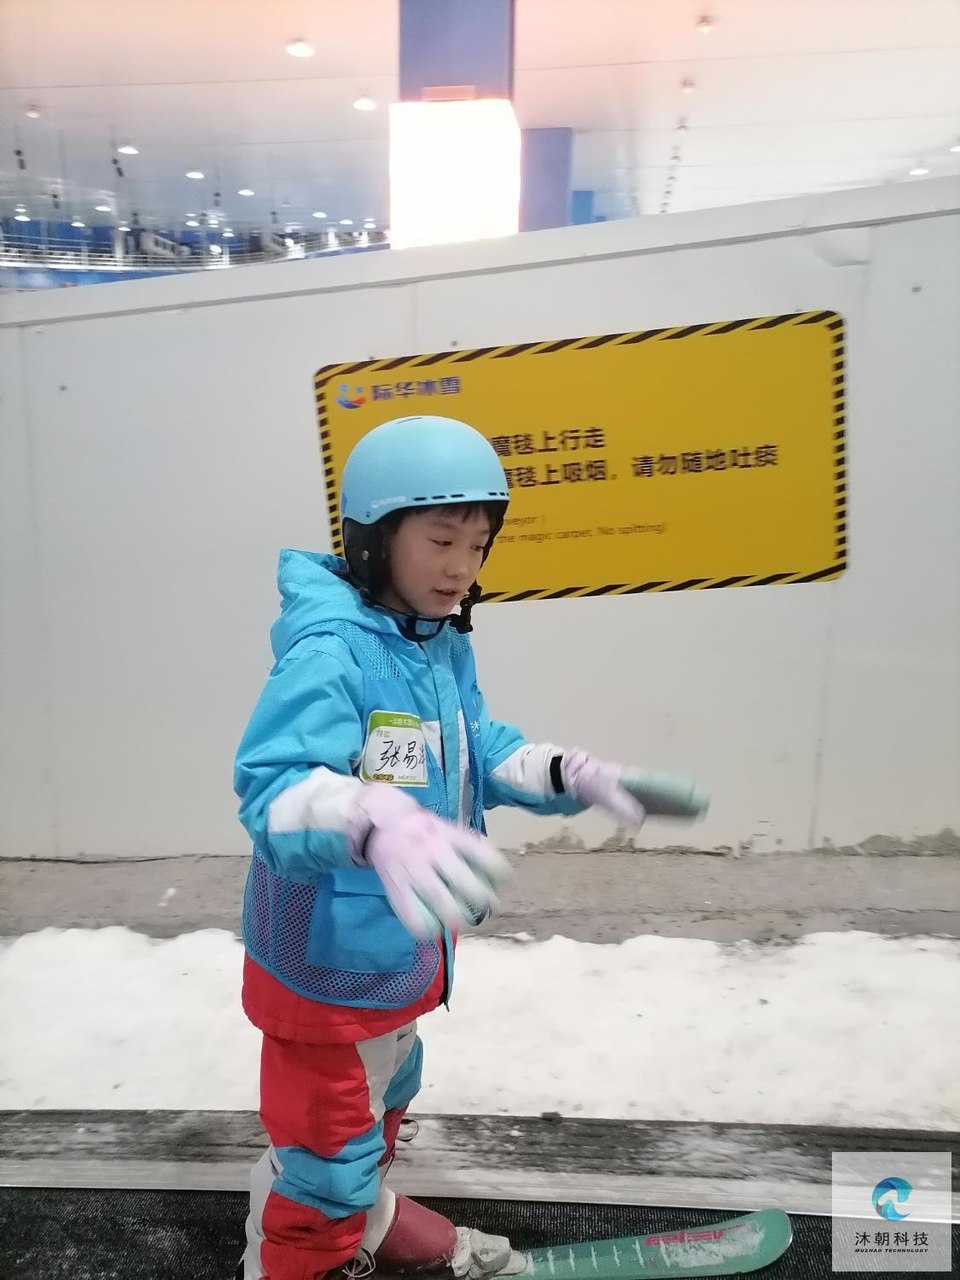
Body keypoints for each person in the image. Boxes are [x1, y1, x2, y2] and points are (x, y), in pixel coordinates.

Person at [233, 415, 707, 1280]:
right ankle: (298, 1258)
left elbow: (472, 746)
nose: (462, 567)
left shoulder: (434, 644)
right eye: (441, 540)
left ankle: (364, 1217)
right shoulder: (330, 651)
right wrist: (371, 818)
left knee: (381, 1106)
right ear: (376, 541)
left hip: (398, 956)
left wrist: (566, 772)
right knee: (327, 1151)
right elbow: (273, 787)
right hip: (327, 970)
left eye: (479, 545)